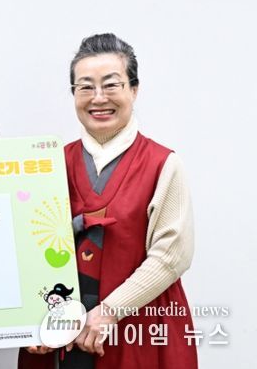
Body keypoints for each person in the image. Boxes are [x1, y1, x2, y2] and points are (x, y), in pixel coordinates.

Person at [19, 33, 197, 368]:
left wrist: (110, 312)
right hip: (57, 335)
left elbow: (171, 257)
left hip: (137, 325)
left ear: (134, 89)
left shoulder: (162, 163)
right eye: (86, 87)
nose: (98, 98)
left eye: (111, 85)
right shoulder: (49, 164)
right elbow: (27, 252)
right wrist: (31, 318)